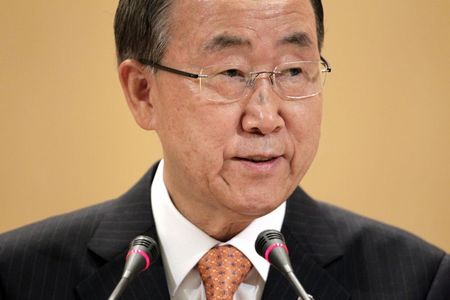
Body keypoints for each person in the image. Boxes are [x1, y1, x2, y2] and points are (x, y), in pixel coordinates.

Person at [0, 0, 448, 299]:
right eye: (231, 72)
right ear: (143, 93)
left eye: (293, 70)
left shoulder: (417, 282)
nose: (266, 117)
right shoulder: (17, 277)